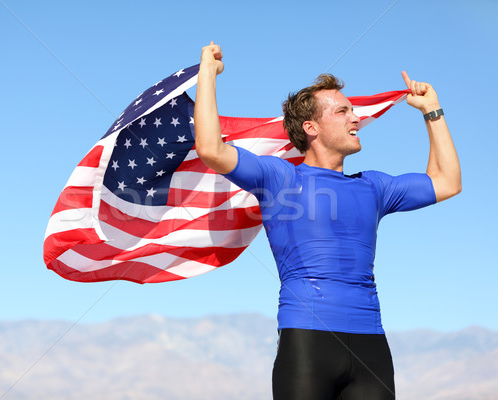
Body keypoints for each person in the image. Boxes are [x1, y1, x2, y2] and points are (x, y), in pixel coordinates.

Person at [194, 42, 461, 400]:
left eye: (352, 111)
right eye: (342, 112)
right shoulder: (281, 179)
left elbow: (447, 182)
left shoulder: (374, 186)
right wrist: (207, 73)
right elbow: (210, 148)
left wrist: (432, 110)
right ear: (312, 127)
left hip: (372, 347)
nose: (356, 118)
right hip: (307, 343)